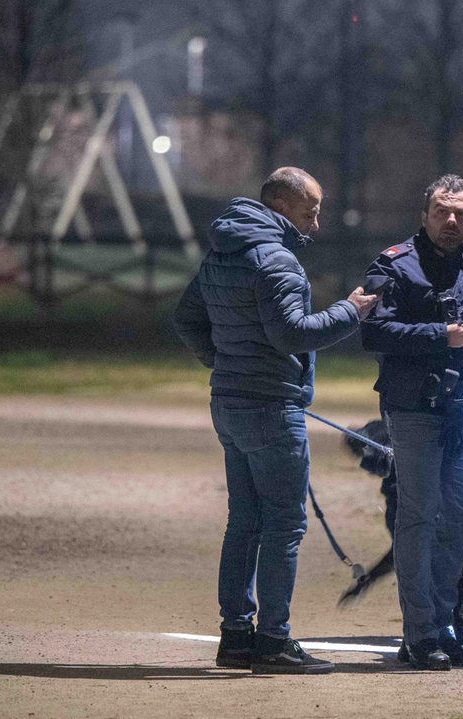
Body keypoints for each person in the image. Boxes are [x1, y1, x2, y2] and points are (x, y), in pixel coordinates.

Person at [172, 167, 378, 675]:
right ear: (282, 206)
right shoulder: (276, 260)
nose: (316, 221)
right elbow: (292, 334)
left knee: (243, 522)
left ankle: (235, 635)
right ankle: (274, 641)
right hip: (271, 407)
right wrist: (350, 312)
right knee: (284, 525)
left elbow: (185, 318)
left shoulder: (222, 252)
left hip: (230, 402)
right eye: (310, 211)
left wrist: (222, 362)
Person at [361, 174, 463, 670]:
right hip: (413, 410)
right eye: (442, 212)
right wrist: (442, 335)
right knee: (419, 514)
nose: (452, 221)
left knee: (461, 519)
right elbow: (373, 331)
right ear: (424, 214)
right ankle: (420, 633)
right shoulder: (394, 265)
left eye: (461, 213)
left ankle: (444, 627)